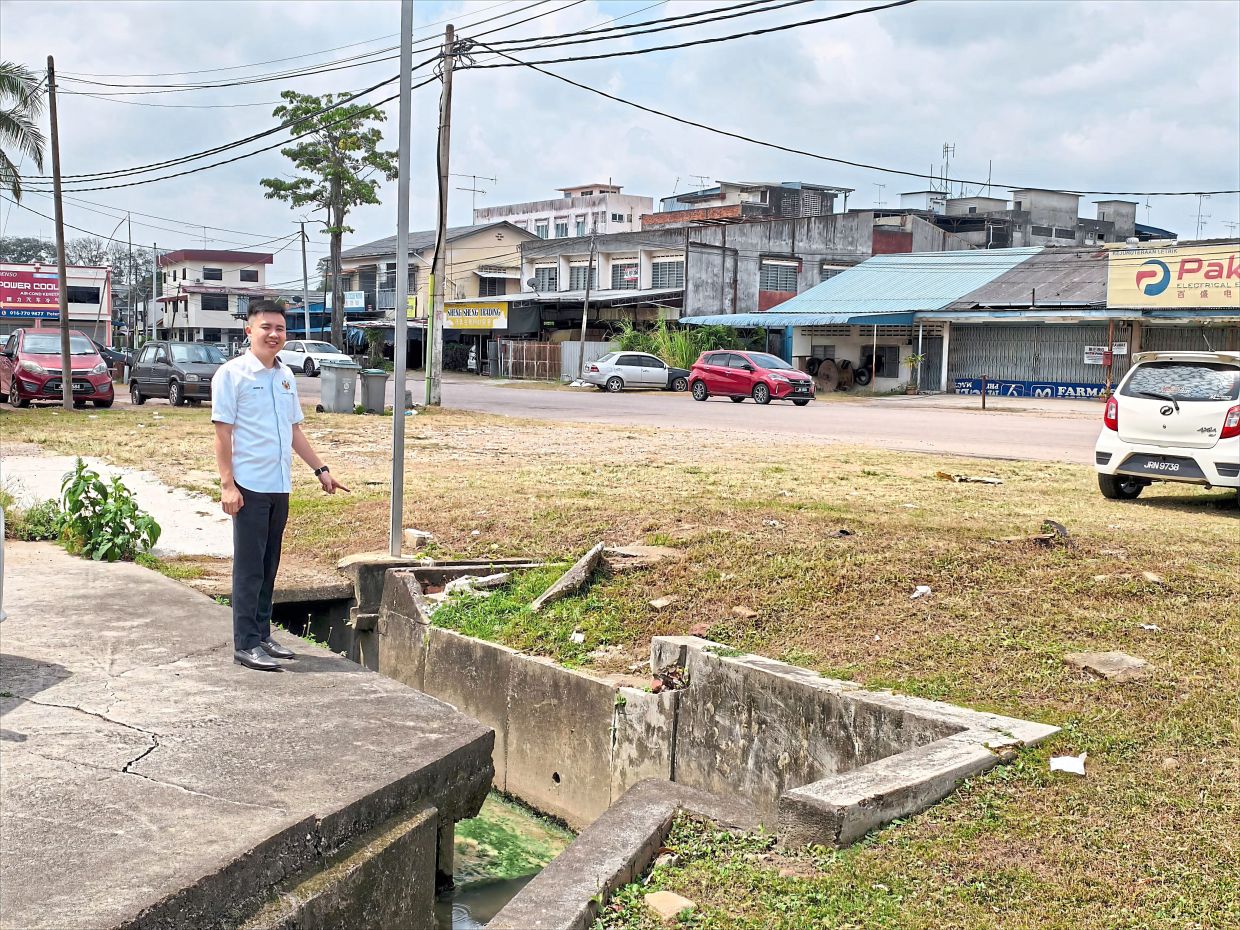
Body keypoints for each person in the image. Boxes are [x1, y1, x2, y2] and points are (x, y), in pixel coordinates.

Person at [212, 300, 348, 671]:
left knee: (270, 564)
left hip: (279, 484)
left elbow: (293, 431)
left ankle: (262, 632)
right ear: (249, 330)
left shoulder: (285, 375)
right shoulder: (232, 374)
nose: (274, 335)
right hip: (249, 484)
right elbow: (222, 434)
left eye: (280, 329)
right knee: (249, 567)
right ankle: (245, 643)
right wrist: (228, 486)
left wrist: (321, 469)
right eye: (266, 327)